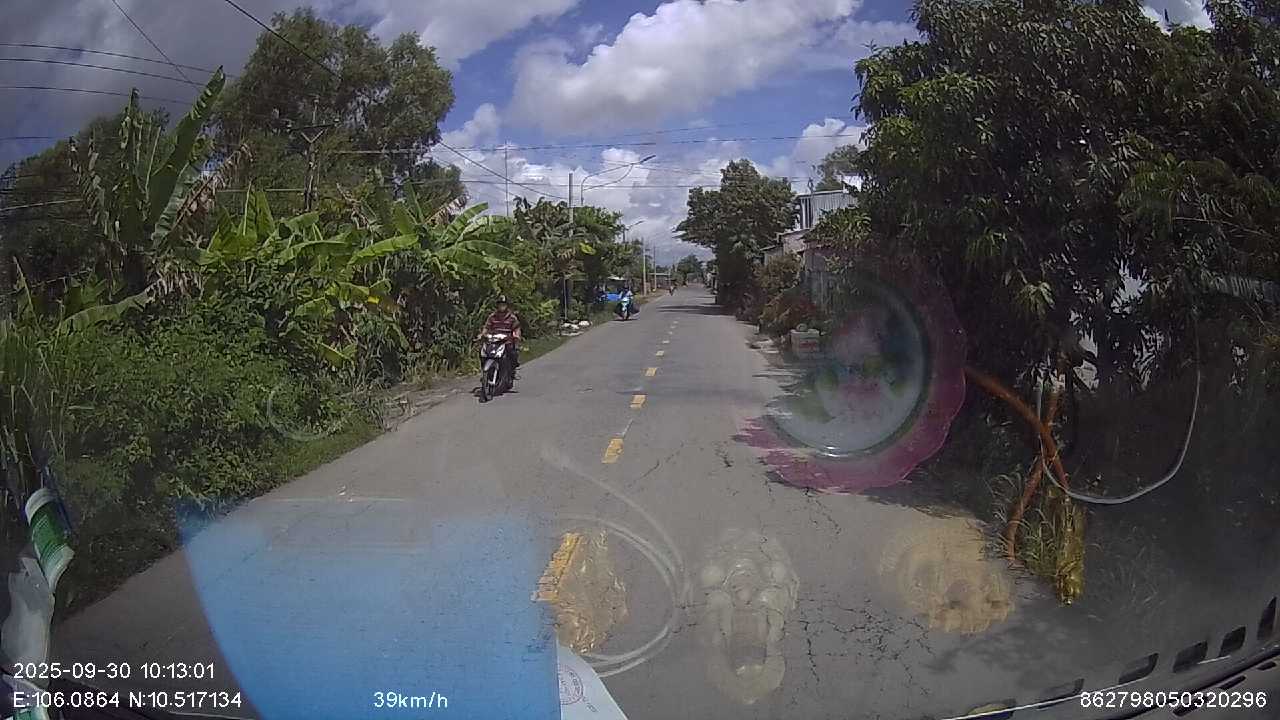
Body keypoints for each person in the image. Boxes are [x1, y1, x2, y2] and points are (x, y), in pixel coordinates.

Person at [479, 295, 522, 375]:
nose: (501, 307)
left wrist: (516, 336)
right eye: (500, 305)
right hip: (493, 342)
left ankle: (511, 370)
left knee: (512, 353)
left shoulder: (512, 317)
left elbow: (516, 328)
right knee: (483, 352)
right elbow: (486, 327)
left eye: (503, 305)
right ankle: (486, 372)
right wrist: (482, 334)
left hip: (507, 342)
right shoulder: (492, 317)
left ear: (507, 306)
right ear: (497, 305)